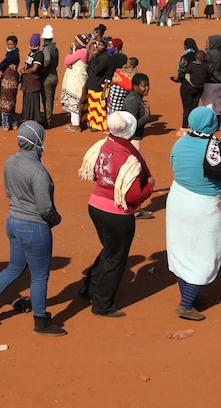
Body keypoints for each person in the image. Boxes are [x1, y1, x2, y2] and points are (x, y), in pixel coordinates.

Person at [0, 121, 66, 335]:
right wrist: (56, 219)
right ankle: (41, 321)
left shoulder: (10, 161)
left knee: (14, 268)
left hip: (13, 222)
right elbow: (45, 208)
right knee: (39, 276)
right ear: (37, 141)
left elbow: (8, 192)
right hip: (35, 228)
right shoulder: (39, 172)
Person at [77, 112, 154, 317]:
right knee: (115, 259)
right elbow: (134, 195)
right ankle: (102, 304)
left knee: (109, 251)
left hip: (96, 205)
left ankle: (89, 287)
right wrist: (150, 187)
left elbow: (93, 171)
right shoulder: (129, 157)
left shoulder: (103, 145)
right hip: (117, 214)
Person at [166, 107, 221, 321]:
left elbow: (173, 164)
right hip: (203, 206)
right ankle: (186, 304)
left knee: (182, 250)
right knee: (207, 253)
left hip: (178, 200)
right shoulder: (215, 146)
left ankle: (190, 297)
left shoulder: (179, 143)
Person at [61, 34, 90, 133]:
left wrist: (71, 52)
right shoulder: (83, 51)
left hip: (77, 81)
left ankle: (76, 126)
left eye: (77, 42)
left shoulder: (82, 52)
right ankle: (74, 123)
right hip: (78, 79)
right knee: (75, 102)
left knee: (74, 102)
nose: (75, 43)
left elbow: (67, 61)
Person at [123, 73, 151, 150]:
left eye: (148, 85)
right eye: (144, 86)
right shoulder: (133, 100)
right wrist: (146, 117)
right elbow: (133, 125)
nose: (147, 88)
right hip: (132, 140)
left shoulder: (137, 99)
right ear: (135, 86)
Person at [40, 26, 59, 128]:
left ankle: (47, 121)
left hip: (47, 77)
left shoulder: (46, 49)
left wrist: (43, 67)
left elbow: (46, 60)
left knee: (46, 100)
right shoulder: (55, 49)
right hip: (54, 75)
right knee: (50, 99)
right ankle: (48, 118)